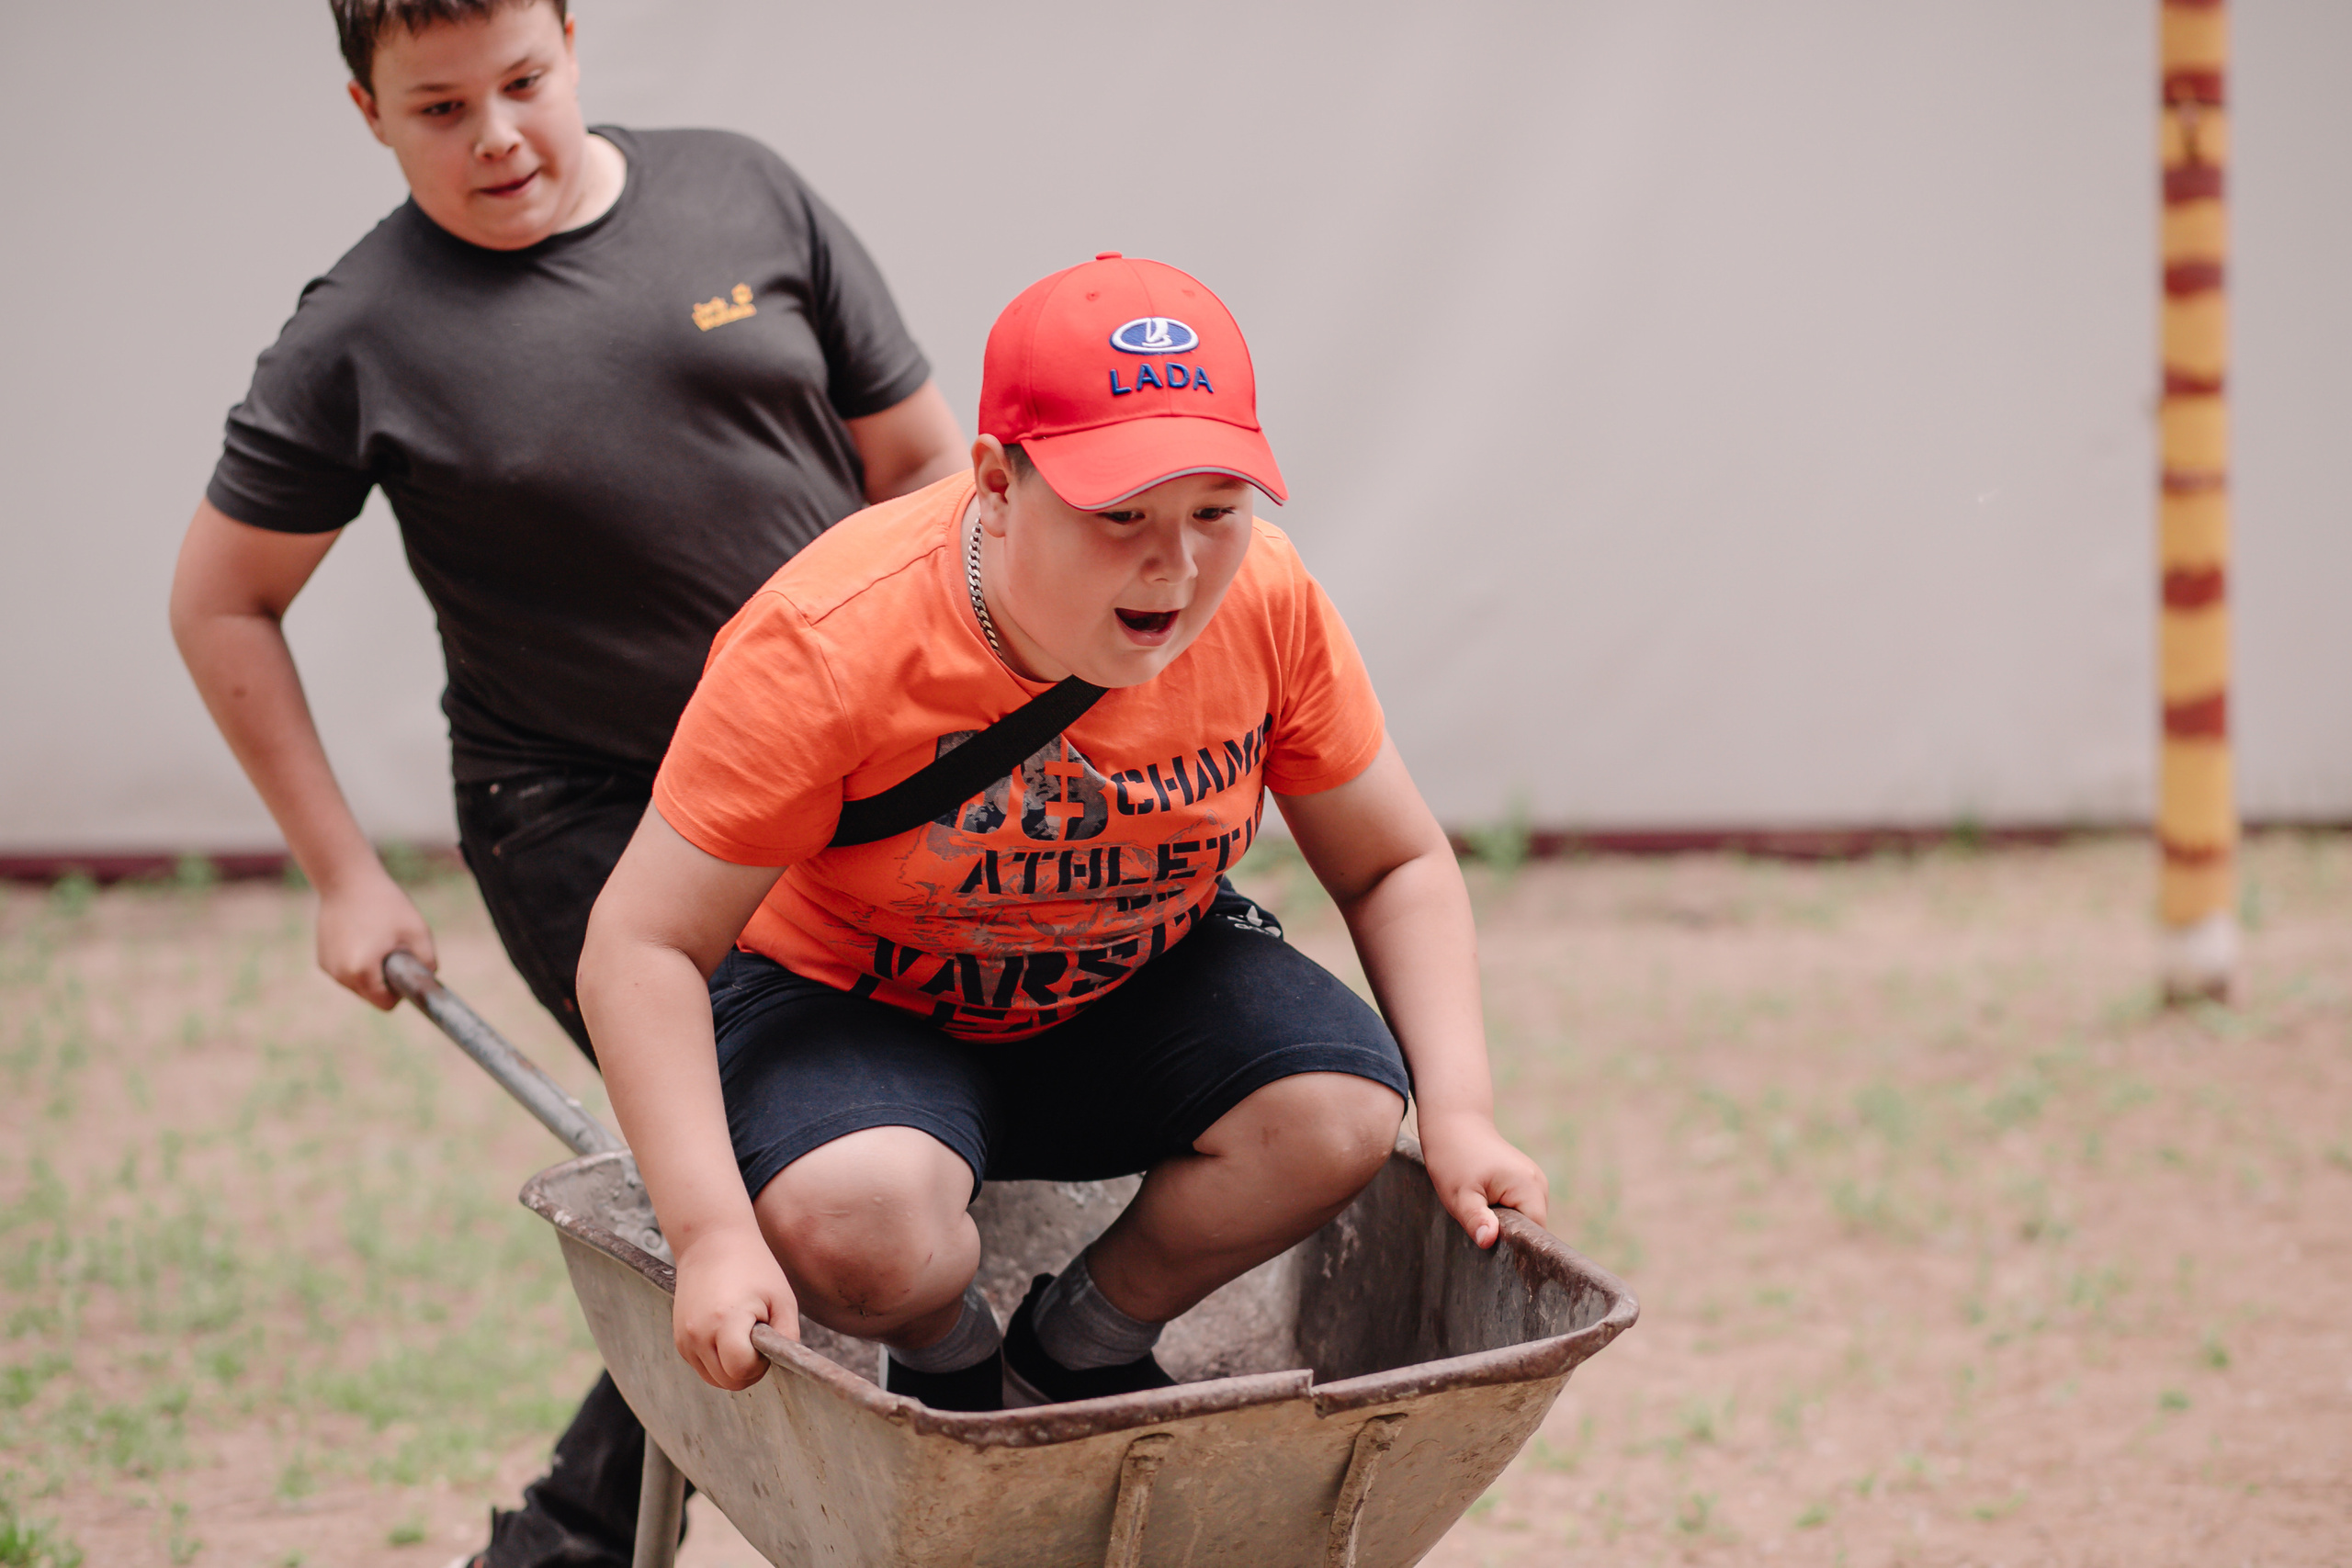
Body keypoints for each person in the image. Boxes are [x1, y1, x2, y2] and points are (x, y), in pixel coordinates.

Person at [165, 1, 963, 1561]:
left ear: (573, 46)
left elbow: (928, 473)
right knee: (771, 1161)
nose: (500, 137)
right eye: (441, 108)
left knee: (854, 1154)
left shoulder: (748, 193)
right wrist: (343, 871)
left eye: (523, 83)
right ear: (366, 112)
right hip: (589, 818)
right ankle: (590, 1540)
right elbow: (219, 599)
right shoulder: (363, 332)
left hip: (843, 790)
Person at [576, 254, 1550, 1415]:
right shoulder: (827, 644)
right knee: (858, 1219)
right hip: (851, 1000)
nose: (1174, 568)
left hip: (1126, 978)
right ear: (995, 479)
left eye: (1215, 513)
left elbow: (1393, 861)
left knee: (1340, 1112)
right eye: (1118, 516)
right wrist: (710, 1235)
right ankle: (948, 1358)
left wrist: (1460, 1113)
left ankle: (1081, 1342)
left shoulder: (1269, 606)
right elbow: (638, 944)